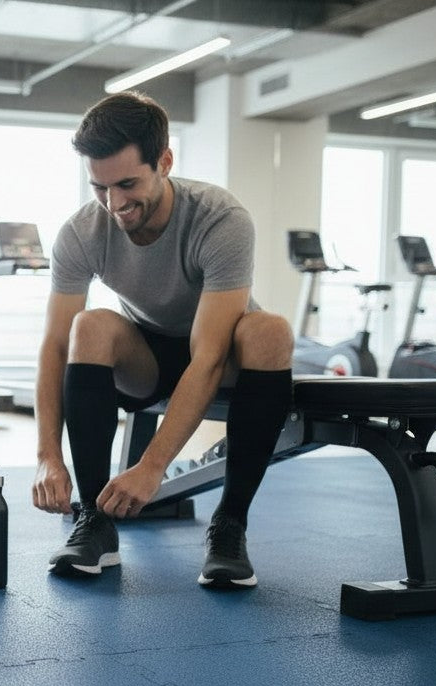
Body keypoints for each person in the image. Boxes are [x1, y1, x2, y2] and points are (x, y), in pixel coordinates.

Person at [32, 90, 294, 588]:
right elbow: (54, 345)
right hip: (145, 356)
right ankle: (95, 522)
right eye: (100, 188)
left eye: (128, 184)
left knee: (271, 331)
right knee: (88, 326)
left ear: (165, 162)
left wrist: (153, 468)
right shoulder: (82, 232)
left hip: (221, 352)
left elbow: (210, 357)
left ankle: (229, 527)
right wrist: (48, 456)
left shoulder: (220, 218)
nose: (115, 204)